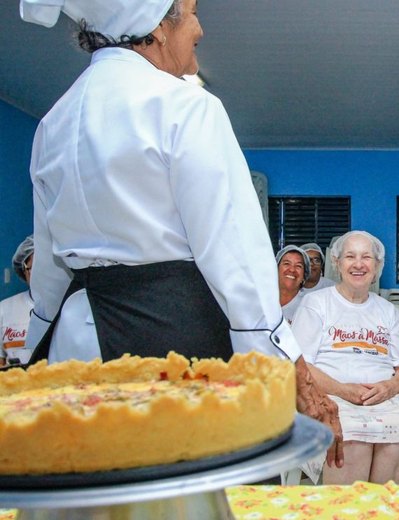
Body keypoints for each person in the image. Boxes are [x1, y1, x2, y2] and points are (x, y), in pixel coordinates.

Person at [19, 0, 342, 467]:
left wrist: (37, 352)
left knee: (99, 489)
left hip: (78, 343)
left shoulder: (53, 122)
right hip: (176, 341)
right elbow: (233, 256)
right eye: (190, 12)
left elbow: (49, 267)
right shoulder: (187, 106)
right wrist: (289, 372)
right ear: (155, 27)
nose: (200, 28)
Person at [291, 230, 399, 484]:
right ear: (337, 263)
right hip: (329, 395)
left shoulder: (388, 311)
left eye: (366, 257)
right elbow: (301, 365)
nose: (358, 264)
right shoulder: (316, 304)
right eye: (350, 256)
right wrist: (343, 390)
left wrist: (390, 387)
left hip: (383, 397)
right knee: (352, 435)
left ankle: (381, 507)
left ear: (377, 266)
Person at [0, 236, 35, 367]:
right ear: (24, 270)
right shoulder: (4, 309)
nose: (42, 275)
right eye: (34, 268)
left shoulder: (74, 308)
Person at [276, 245, 310, 322]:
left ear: (304, 275)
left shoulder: (309, 304)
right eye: (286, 264)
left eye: (298, 266)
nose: (292, 269)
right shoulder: (262, 299)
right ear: (276, 269)